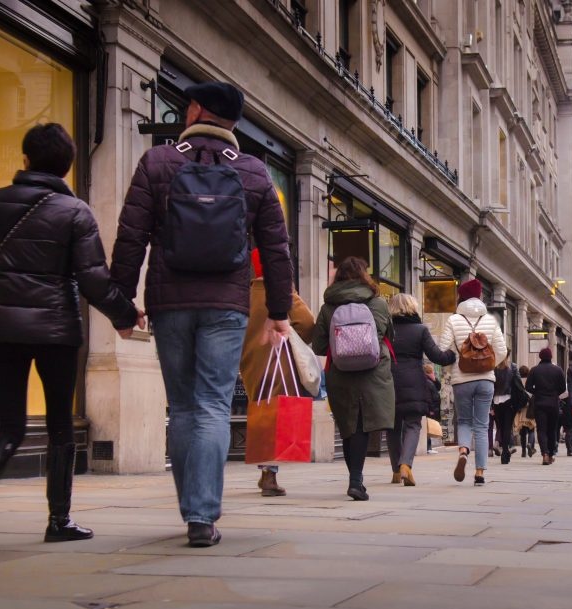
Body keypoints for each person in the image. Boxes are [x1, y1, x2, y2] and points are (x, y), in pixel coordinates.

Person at [111, 82, 293, 547]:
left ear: (195, 111)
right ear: (233, 122)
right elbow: (276, 250)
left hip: (169, 303)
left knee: (184, 406)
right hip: (226, 307)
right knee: (213, 404)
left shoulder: (158, 162)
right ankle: (202, 516)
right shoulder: (255, 173)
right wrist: (278, 311)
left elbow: (130, 236)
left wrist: (120, 304)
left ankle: (192, 508)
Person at [0, 123, 144, 553]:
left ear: (25, 160)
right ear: (67, 166)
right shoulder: (74, 212)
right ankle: (59, 520)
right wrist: (126, 314)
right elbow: (93, 280)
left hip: (0, 328)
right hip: (56, 331)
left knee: (9, 426)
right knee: (59, 427)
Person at [312, 257, 395, 500]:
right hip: (373, 370)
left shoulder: (328, 306)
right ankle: (356, 481)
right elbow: (387, 336)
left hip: (340, 373)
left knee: (349, 427)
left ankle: (355, 479)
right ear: (364, 275)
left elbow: (318, 345)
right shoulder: (378, 302)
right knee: (362, 426)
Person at [239, 249, 315, 498]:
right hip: (278, 362)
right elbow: (307, 324)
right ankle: (269, 474)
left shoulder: (243, 295)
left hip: (249, 364)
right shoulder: (283, 293)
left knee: (261, 414)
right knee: (275, 416)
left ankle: (266, 471)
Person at [437, 279, 508, 486]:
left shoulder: (454, 320)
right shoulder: (491, 320)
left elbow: (443, 349)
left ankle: (463, 451)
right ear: (479, 297)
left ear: (461, 297)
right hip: (486, 381)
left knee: (465, 421)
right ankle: (479, 473)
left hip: (462, 380)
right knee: (482, 424)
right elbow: (502, 350)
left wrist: (454, 367)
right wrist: (489, 365)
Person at [386, 294, 455, 486]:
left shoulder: (386, 329)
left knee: (392, 427)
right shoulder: (420, 330)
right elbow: (437, 356)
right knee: (413, 424)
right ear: (412, 307)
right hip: (414, 382)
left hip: (388, 381)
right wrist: (453, 355)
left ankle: (395, 471)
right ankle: (406, 465)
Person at [526, 348, 566, 465]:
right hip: (553, 403)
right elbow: (563, 387)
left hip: (539, 404)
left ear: (540, 357)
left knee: (542, 430)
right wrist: (554, 394)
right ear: (551, 357)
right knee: (552, 430)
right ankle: (552, 453)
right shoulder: (558, 370)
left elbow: (528, 387)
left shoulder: (534, 370)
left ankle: (545, 454)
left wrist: (537, 392)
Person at [492, 360, 521, 464]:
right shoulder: (512, 368)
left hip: (496, 401)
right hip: (509, 401)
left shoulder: (493, 368)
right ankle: (505, 452)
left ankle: (505, 451)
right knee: (507, 427)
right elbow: (518, 384)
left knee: (501, 427)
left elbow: (491, 386)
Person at [515, 365, 537, 457]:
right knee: (531, 428)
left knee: (523, 431)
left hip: (521, 409)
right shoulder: (530, 381)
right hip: (530, 408)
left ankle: (523, 451)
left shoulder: (518, 381)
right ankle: (530, 445)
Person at [425, 364, 442, 454]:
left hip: (432, 408)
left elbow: (438, 387)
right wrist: (431, 409)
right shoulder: (427, 382)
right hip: (430, 409)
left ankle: (429, 447)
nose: (433, 373)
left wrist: (435, 379)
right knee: (428, 428)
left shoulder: (430, 381)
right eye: (432, 372)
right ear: (428, 372)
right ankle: (428, 447)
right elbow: (428, 397)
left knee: (429, 428)